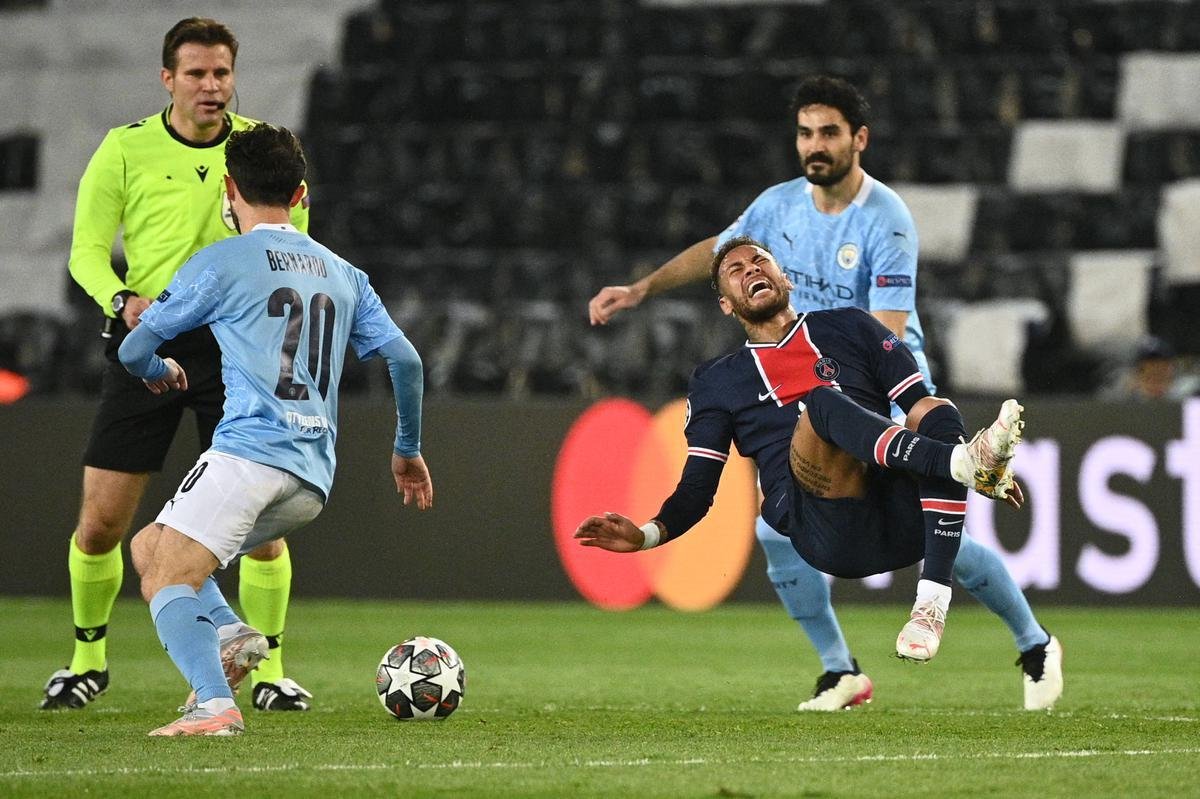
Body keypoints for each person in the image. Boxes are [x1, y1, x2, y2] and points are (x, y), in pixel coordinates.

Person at [587, 76, 1058, 712]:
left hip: (874, 387)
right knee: (776, 533)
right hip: (800, 396)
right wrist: (643, 288)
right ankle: (842, 670)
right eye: (806, 132)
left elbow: (885, 330)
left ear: (858, 139)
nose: (815, 144)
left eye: (829, 132)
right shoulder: (776, 208)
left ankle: (1029, 642)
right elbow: (719, 250)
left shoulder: (885, 221)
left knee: (938, 523)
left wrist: (861, 398)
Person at [118, 123, 432, 736]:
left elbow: (135, 350)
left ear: (229, 188)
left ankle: (215, 705)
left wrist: (161, 370)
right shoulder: (346, 274)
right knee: (149, 545)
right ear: (301, 193)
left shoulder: (220, 262)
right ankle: (232, 636)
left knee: (163, 575)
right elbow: (407, 361)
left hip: (248, 455)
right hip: (312, 480)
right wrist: (407, 449)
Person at [47, 18, 314, 712]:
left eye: (221, 72)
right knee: (102, 521)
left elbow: (296, 244)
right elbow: (83, 249)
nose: (211, 86)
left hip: (235, 349)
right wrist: (120, 297)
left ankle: (270, 669)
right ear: (168, 79)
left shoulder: (261, 153)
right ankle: (87, 659)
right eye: (196, 74)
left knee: (258, 528)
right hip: (148, 336)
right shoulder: (125, 149)